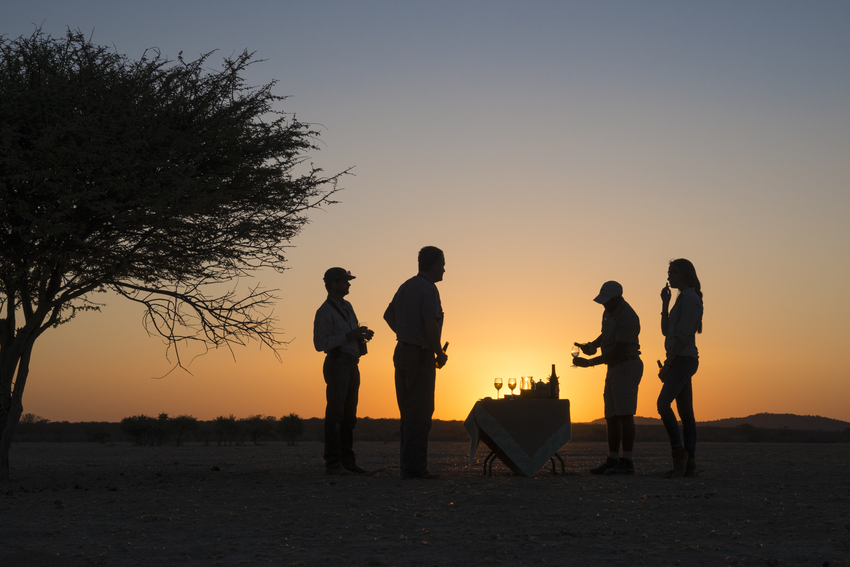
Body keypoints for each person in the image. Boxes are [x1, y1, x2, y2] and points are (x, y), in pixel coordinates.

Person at [383, 246, 448, 480]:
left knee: (408, 411)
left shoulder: (406, 286)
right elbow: (431, 325)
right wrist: (438, 352)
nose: (444, 269)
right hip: (419, 355)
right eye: (442, 264)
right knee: (420, 412)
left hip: (402, 351)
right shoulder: (428, 289)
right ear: (432, 265)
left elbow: (388, 315)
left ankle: (408, 465)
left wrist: (406, 333)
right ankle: (415, 468)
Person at [573, 281, 643, 476]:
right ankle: (613, 459)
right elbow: (604, 336)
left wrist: (591, 362)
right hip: (614, 367)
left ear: (617, 298)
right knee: (611, 416)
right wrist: (591, 346)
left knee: (625, 415)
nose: (603, 305)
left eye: (606, 301)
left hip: (626, 365)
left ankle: (627, 461)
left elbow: (618, 349)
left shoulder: (628, 317)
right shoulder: (609, 313)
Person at [313, 267, 374, 476]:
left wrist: (361, 335)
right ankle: (333, 463)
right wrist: (349, 336)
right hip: (337, 362)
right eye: (345, 281)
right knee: (336, 415)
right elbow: (320, 343)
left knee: (349, 417)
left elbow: (350, 334)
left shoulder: (347, 307)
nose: (348, 284)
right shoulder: (324, 311)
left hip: (351, 362)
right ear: (333, 284)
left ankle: (348, 462)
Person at [657, 258, 704, 478]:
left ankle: (679, 453)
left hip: (683, 360)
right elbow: (667, 332)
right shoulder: (681, 299)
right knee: (686, 414)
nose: (668, 276)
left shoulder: (692, 299)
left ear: (683, 273)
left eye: (671, 272)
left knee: (663, 404)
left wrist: (668, 364)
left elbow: (684, 336)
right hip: (679, 359)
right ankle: (690, 463)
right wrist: (665, 304)